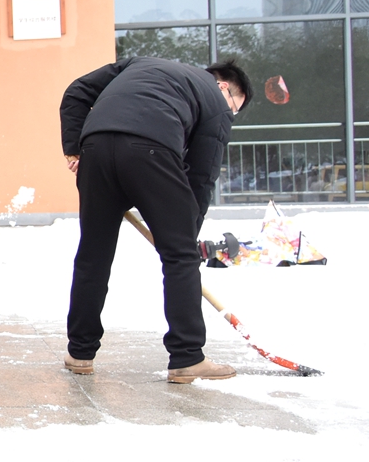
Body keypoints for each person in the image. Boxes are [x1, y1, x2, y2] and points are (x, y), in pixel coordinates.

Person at [59, 56, 251, 384]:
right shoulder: (215, 101)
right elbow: (201, 179)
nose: (230, 114)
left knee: (94, 254)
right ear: (223, 87)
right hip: (152, 149)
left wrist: (75, 148)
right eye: (235, 107)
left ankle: (80, 352)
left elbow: (77, 92)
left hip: (97, 149)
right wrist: (181, 242)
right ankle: (188, 357)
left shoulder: (139, 64)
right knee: (180, 257)